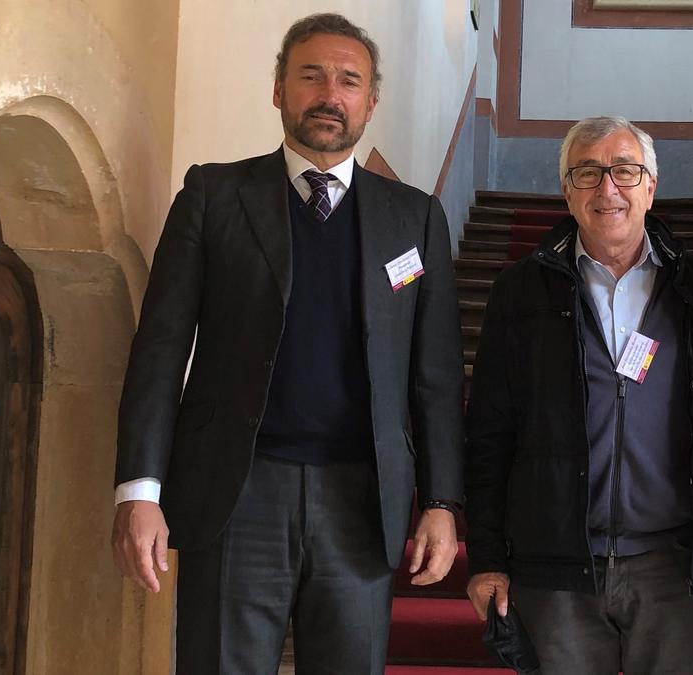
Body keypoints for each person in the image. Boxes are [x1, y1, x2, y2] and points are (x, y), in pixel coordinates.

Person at [110, 13, 464, 674]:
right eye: (311, 75)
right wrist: (139, 488)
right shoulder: (215, 196)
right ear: (279, 90)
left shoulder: (414, 217)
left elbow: (436, 376)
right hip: (238, 493)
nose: (330, 94)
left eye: (349, 81)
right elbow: (160, 350)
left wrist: (442, 502)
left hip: (362, 504)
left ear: (370, 103)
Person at [463, 116, 693, 674]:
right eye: (587, 173)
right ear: (567, 192)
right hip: (557, 566)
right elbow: (488, 433)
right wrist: (488, 557)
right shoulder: (519, 291)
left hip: (672, 565)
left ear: (650, 186)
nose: (607, 188)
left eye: (624, 171)